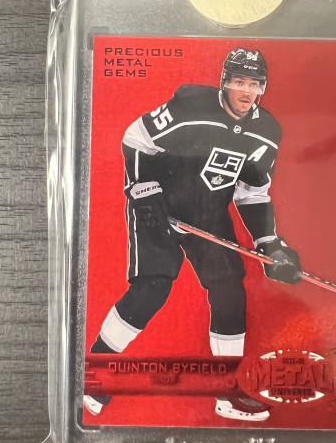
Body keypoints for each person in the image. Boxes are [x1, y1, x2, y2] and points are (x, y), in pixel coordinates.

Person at [85, 48, 302, 421]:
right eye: (239, 82)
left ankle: (227, 390)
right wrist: (143, 190)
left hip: (208, 212)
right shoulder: (191, 106)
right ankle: (94, 374)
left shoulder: (267, 131)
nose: (246, 92)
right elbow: (136, 137)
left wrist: (269, 244)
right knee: (152, 288)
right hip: (159, 204)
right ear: (224, 82)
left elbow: (252, 193)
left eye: (254, 84)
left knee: (229, 291)